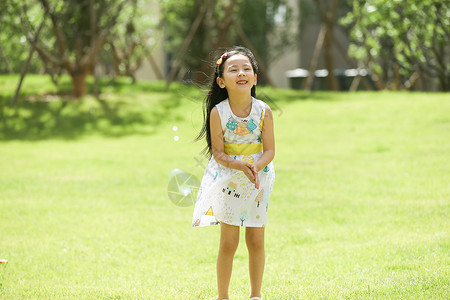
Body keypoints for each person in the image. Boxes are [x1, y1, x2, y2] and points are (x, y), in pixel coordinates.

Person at [192, 46, 275, 300]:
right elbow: (219, 153)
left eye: (246, 69)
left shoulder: (264, 111)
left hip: (259, 177)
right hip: (230, 177)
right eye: (233, 69)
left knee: (256, 239)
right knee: (229, 242)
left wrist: (255, 167)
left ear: (255, 78)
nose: (241, 73)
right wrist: (240, 165)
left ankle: (255, 295)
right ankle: (223, 296)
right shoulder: (219, 112)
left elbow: (270, 150)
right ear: (221, 81)